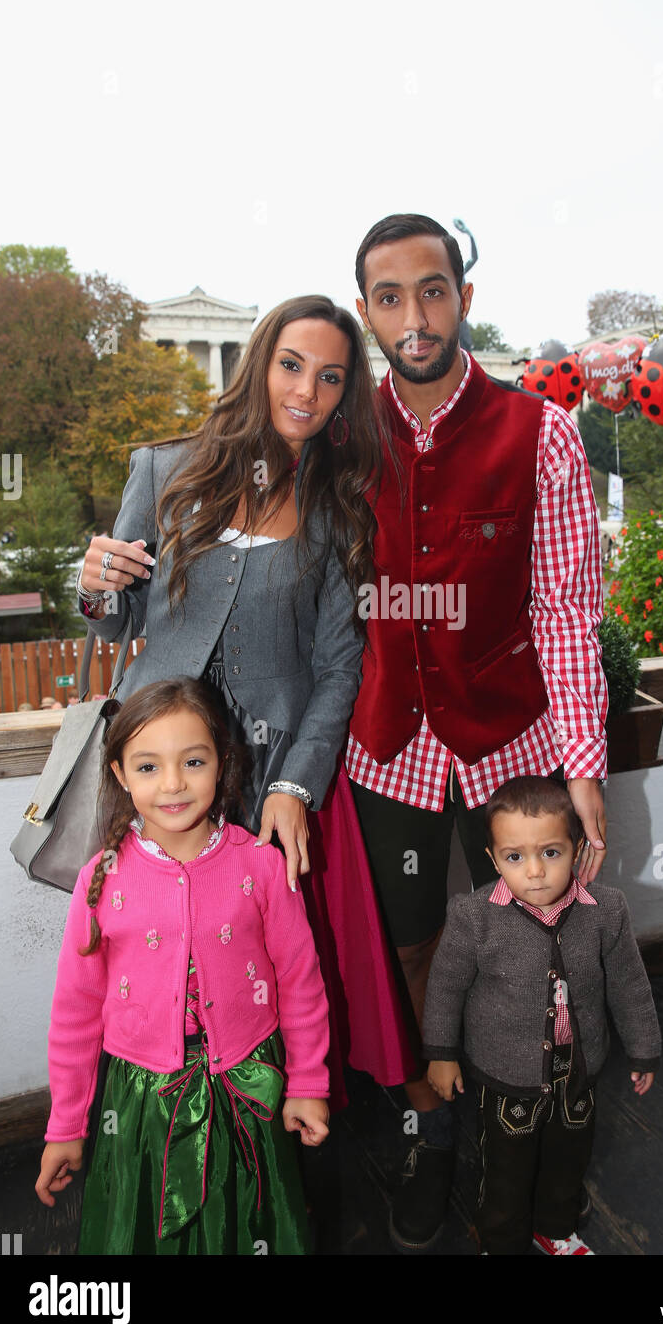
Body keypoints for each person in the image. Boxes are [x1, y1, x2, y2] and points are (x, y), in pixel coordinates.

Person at [73, 295, 413, 1105]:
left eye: (331, 378)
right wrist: (92, 586)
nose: (307, 391)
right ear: (259, 362)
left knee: (255, 975)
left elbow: (339, 666)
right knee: (151, 963)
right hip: (158, 777)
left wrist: (297, 786)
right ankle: (154, 1129)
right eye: (291, 365)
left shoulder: (334, 509)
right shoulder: (163, 470)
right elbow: (116, 618)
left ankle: (257, 1140)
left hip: (270, 781)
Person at [346, 213, 609, 1248]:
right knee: (412, 957)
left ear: (461, 294)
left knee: (526, 956)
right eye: (389, 295)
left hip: (510, 744)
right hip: (385, 752)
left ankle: (524, 1146)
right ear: (366, 308)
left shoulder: (538, 430)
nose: (415, 317)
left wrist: (580, 766)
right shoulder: (338, 433)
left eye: (433, 289)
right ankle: (430, 1132)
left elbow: (562, 608)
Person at [35, 677, 330, 1254]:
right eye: (148, 767)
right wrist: (67, 1126)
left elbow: (300, 982)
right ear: (120, 775)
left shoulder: (263, 867)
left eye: (192, 761)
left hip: (249, 1090)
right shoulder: (102, 880)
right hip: (140, 1107)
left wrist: (308, 1084)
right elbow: (75, 1013)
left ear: (222, 763)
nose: (172, 784)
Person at [423, 775, 660, 1257]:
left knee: (567, 1162)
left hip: (579, 1073)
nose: (534, 872)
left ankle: (554, 1229)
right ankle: (501, 1241)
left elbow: (629, 984)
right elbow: (445, 988)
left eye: (550, 852)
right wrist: (441, 1054)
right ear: (492, 859)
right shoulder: (474, 916)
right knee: (506, 1171)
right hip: (505, 1077)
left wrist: (644, 1049)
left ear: (576, 850)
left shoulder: (606, 910)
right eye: (515, 857)